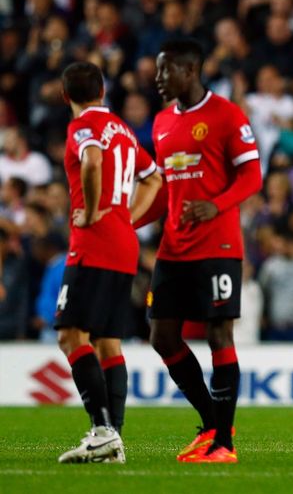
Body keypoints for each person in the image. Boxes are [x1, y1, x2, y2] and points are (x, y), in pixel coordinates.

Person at [146, 39, 262, 464]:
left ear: (189, 70)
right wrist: (127, 220)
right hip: (173, 248)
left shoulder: (227, 115)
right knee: (161, 335)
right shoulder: (160, 123)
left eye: (165, 71)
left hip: (219, 245)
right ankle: (211, 421)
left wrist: (217, 204)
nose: (158, 79)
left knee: (218, 334)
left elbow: (252, 176)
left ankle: (225, 444)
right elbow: (165, 190)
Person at [55, 61, 162, 463]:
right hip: (123, 243)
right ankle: (112, 438)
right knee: (107, 341)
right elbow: (153, 179)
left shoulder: (83, 126)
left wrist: (96, 209)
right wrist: (127, 218)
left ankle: (102, 430)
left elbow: (93, 160)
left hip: (93, 242)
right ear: (102, 91)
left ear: (67, 97)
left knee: (70, 334)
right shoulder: (123, 129)